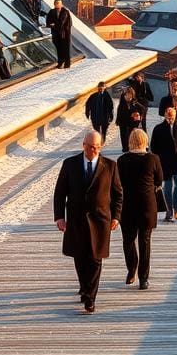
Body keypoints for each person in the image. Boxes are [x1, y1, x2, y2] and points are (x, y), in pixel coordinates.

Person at [53, 131, 122, 314]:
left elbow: (117, 195)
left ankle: (91, 298)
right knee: (79, 257)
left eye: (96, 147)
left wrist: (116, 216)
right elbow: (60, 193)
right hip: (76, 219)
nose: (92, 150)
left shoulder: (110, 166)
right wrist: (59, 217)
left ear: (101, 147)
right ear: (83, 145)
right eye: (89, 146)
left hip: (100, 220)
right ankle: (84, 287)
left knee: (95, 259)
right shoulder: (70, 164)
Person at [117, 128, 163, 290]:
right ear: (145, 141)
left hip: (127, 205)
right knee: (145, 241)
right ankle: (144, 279)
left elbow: (118, 184)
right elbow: (159, 180)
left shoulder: (122, 160)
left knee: (128, 240)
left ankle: (132, 269)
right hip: (147, 205)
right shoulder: (153, 159)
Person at [150, 107, 177, 222]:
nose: (170, 119)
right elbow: (154, 147)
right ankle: (169, 210)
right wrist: (156, 160)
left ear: (175, 116)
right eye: (169, 117)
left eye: (172, 117)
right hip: (165, 161)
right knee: (168, 186)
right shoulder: (158, 129)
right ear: (165, 115)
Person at [115, 86, 146, 153]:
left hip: (133, 123)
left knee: (132, 136)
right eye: (127, 95)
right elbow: (119, 113)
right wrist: (118, 121)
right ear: (124, 95)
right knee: (123, 136)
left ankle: (131, 147)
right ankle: (125, 148)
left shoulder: (135, 103)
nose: (129, 97)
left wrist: (139, 116)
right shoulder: (121, 104)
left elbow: (143, 109)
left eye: (131, 95)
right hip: (123, 122)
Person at [45, 0, 72, 68]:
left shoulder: (65, 12)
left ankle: (67, 63)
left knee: (65, 48)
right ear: (54, 4)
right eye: (56, 3)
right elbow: (48, 22)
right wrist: (52, 25)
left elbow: (65, 23)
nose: (57, 4)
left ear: (61, 4)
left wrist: (55, 25)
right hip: (56, 34)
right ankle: (60, 62)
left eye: (58, 3)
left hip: (64, 34)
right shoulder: (51, 12)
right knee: (58, 49)